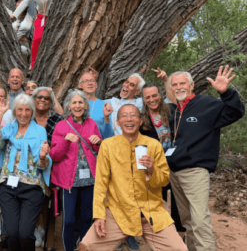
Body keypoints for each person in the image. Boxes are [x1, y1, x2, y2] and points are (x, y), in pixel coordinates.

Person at [78, 104, 188, 251]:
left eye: (133, 115)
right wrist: (99, 215)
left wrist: (151, 169)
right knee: (87, 246)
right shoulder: (108, 146)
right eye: (124, 115)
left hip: (151, 212)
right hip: (118, 212)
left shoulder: (153, 145)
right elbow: (100, 183)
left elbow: (164, 180)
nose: (129, 119)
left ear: (141, 121)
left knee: (179, 249)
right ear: (117, 122)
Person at [167, 66, 245, 251]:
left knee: (200, 219)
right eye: (174, 84)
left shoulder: (208, 104)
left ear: (192, 85)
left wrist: (225, 93)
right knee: (187, 220)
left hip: (195, 170)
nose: (178, 87)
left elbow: (236, 112)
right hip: (175, 172)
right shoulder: (173, 111)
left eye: (182, 83)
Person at [50, 90, 102, 251]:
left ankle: (83, 245)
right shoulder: (62, 125)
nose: (77, 106)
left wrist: (98, 142)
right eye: (74, 102)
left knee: (87, 217)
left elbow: (100, 151)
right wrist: (65, 141)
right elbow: (55, 155)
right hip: (69, 180)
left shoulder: (92, 124)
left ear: (85, 105)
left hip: (90, 179)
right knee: (69, 220)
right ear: (68, 106)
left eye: (81, 102)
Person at [0, 94, 52, 251]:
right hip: (8, 186)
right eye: (20, 109)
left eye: (27, 109)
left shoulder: (39, 131)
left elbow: (43, 164)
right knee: (10, 233)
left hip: (32, 187)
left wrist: (43, 158)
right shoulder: (8, 129)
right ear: (15, 111)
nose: (23, 113)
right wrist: (1, 115)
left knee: (24, 234)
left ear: (32, 111)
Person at [139, 82, 186, 240]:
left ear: (160, 95)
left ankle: (180, 236)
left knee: (178, 201)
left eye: (154, 95)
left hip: (176, 164)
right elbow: (139, 144)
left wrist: (166, 80)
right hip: (155, 166)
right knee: (156, 202)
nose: (152, 99)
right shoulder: (142, 120)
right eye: (148, 97)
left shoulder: (172, 111)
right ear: (144, 99)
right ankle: (159, 237)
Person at [7, 0, 58, 69]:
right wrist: (14, 16)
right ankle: (33, 64)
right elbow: (25, 2)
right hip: (41, 16)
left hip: (54, 17)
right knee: (36, 39)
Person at [31, 87, 63, 251]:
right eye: (39, 97)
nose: (42, 100)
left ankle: (49, 243)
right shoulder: (27, 118)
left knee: (52, 206)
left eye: (46, 98)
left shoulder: (57, 120)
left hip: (53, 168)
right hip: (31, 169)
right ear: (34, 99)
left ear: (51, 102)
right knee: (34, 202)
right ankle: (37, 232)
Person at [78, 69, 113, 139]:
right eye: (86, 81)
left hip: (97, 147)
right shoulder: (75, 104)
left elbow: (108, 136)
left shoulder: (104, 105)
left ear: (96, 85)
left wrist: (107, 118)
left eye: (92, 80)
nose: (90, 83)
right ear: (80, 86)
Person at [5, 0, 35, 65]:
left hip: (23, 47)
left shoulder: (29, 18)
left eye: (23, 2)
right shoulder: (10, 15)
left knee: (23, 50)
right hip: (10, 47)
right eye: (18, 2)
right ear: (15, 5)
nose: (20, 3)